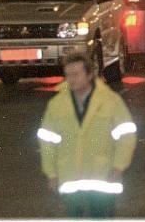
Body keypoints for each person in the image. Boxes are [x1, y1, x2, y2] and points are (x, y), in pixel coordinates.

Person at [37, 52, 137, 218]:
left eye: (76, 74)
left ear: (90, 74)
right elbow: (47, 141)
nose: (71, 79)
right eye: (68, 75)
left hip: (104, 180)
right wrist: (51, 174)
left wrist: (119, 167)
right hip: (71, 182)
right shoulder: (57, 105)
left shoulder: (110, 102)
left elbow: (126, 136)